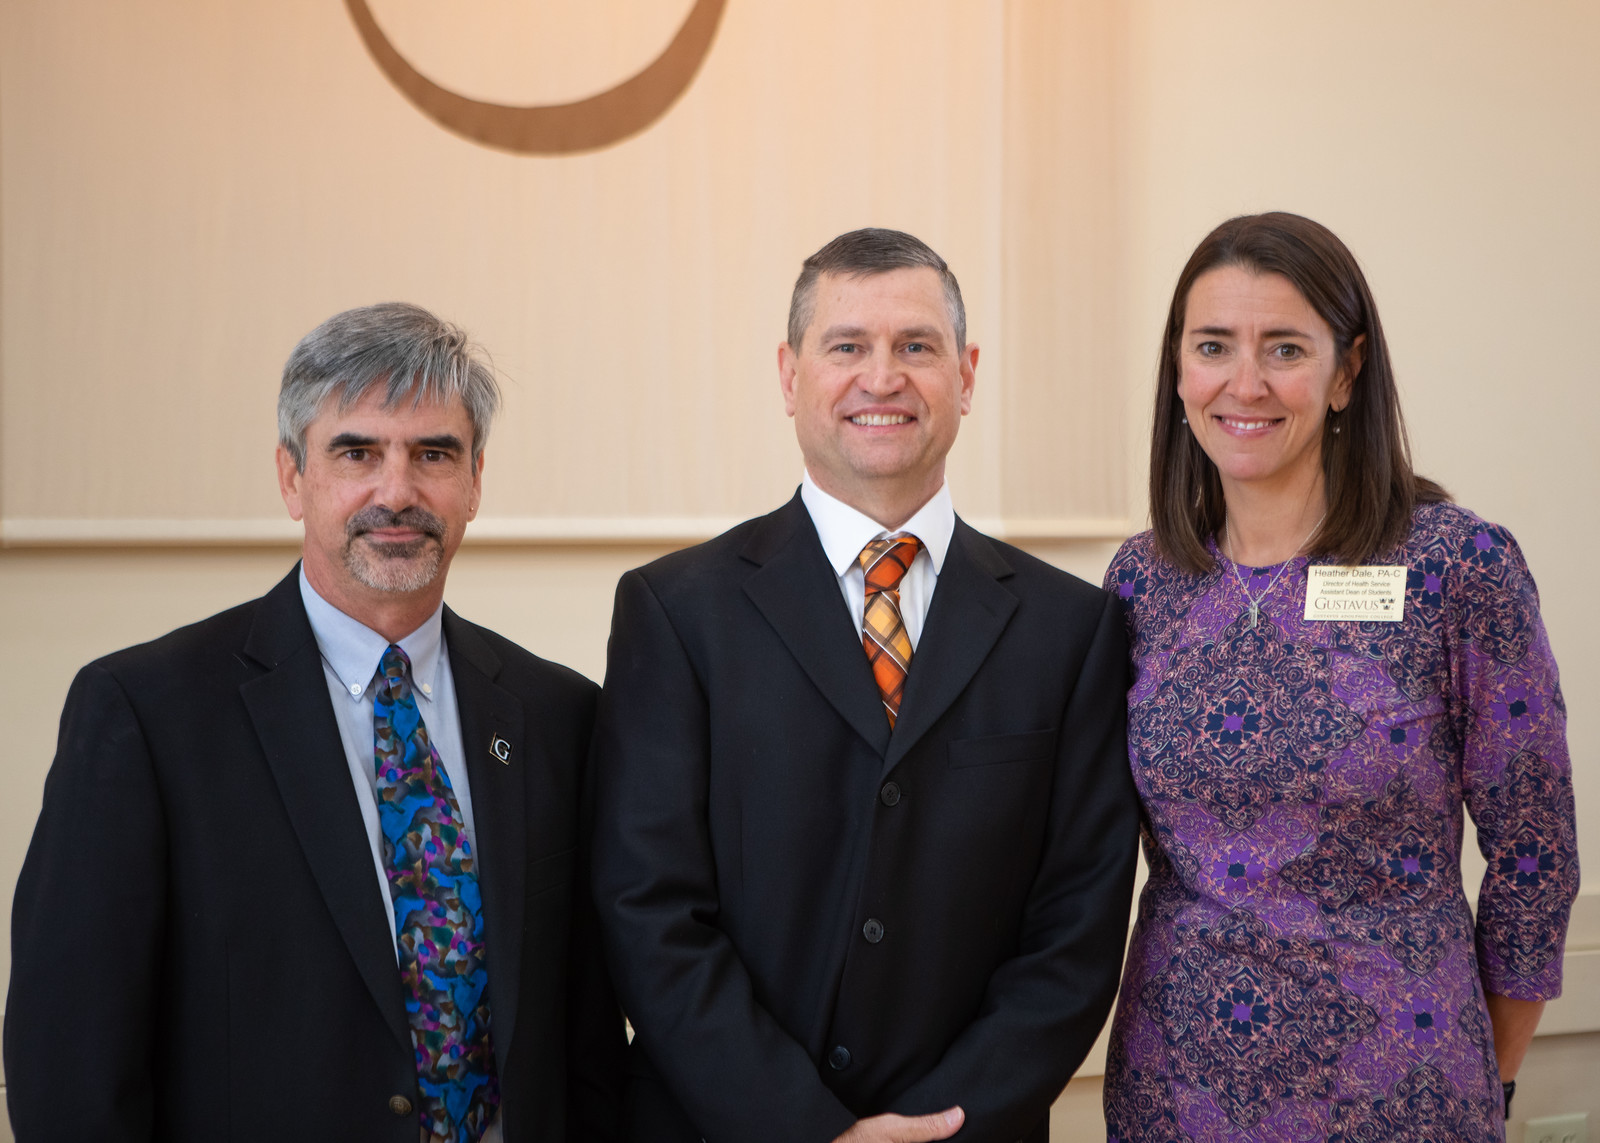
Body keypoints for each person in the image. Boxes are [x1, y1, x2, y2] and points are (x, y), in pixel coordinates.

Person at [5, 303, 625, 1142]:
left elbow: (588, 1039)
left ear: (476, 479)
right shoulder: (146, 714)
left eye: (433, 453)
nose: (397, 491)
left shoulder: (562, 716)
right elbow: (70, 1062)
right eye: (356, 452)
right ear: (293, 477)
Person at [591, 228, 1141, 1143]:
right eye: (846, 346)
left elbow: (1075, 931)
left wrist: (938, 1126)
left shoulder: (1070, 629)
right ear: (789, 374)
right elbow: (648, 909)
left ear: (965, 375)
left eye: (916, 347)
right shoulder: (675, 611)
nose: (881, 378)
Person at [1100, 213, 1579, 1142]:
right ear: (1178, 370)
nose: (1246, 383)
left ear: (1347, 372)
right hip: (1174, 1089)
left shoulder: (1456, 566)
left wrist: (1486, 1070)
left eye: (1285, 348)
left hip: (1399, 1093)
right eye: (1213, 347)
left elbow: (1534, 851)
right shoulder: (1140, 582)